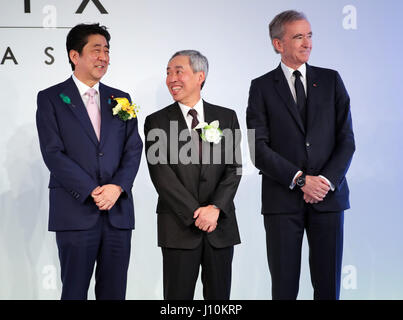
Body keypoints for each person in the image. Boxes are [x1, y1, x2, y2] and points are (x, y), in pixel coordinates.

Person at [246, 10, 355, 300]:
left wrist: (325, 182)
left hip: (328, 198)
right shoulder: (261, 87)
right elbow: (258, 148)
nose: (307, 43)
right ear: (278, 44)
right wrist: (299, 179)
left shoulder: (332, 81)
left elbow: (347, 141)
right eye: (298, 37)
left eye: (309, 36)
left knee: (328, 287)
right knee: (283, 289)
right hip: (282, 201)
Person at [36, 23, 143, 300]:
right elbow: (53, 153)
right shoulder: (50, 98)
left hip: (117, 213)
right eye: (96, 50)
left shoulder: (121, 99)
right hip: (76, 211)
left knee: (115, 292)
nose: (104, 57)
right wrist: (92, 191)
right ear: (75, 55)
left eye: (107, 51)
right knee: (74, 292)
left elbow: (133, 148)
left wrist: (116, 187)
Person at [144, 50, 242, 300]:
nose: (171, 78)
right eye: (168, 72)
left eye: (178, 71)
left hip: (219, 227)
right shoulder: (155, 122)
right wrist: (196, 213)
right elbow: (161, 175)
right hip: (178, 227)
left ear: (200, 76)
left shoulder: (226, 116)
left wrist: (215, 208)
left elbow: (234, 169)